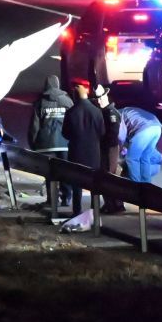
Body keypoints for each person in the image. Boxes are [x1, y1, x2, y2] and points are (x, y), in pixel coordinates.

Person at [27, 74, 74, 214]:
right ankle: (67, 197)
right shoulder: (67, 101)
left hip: (45, 144)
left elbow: (34, 126)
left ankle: (52, 199)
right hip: (64, 143)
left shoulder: (40, 103)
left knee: (50, 173)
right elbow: (73, 121)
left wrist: (33, 143)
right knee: (66, 171)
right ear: (58, 84)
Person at [61, 81, 105, 220]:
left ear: (75, 97)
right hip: (93, 153)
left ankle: (77, 210)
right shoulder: (97, 111)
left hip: (76, 152)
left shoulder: (71, 112)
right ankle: (94, 211)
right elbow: (102, 132)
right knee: (93, 183)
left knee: (76, 183)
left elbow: (65, 133)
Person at [94, 84, 126, 213]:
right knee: (106, 175)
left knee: (109, 176)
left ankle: (115, 205)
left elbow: (113, 134)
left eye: (101, 97)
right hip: (107, 147)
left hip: (110, 148)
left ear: (106, 96)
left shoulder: (111, 113)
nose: (99, 100)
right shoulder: (104, 112)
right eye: (97, 98)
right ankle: (111, 204)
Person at [118, 104, 162, 183]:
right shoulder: (127, 110)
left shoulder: (118, 115)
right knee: (145, 157)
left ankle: (136, 186)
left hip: (144, 129)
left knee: (131, 158)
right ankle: (146, 184)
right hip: (157, 127)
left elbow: (121, 137)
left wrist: (120, 148)